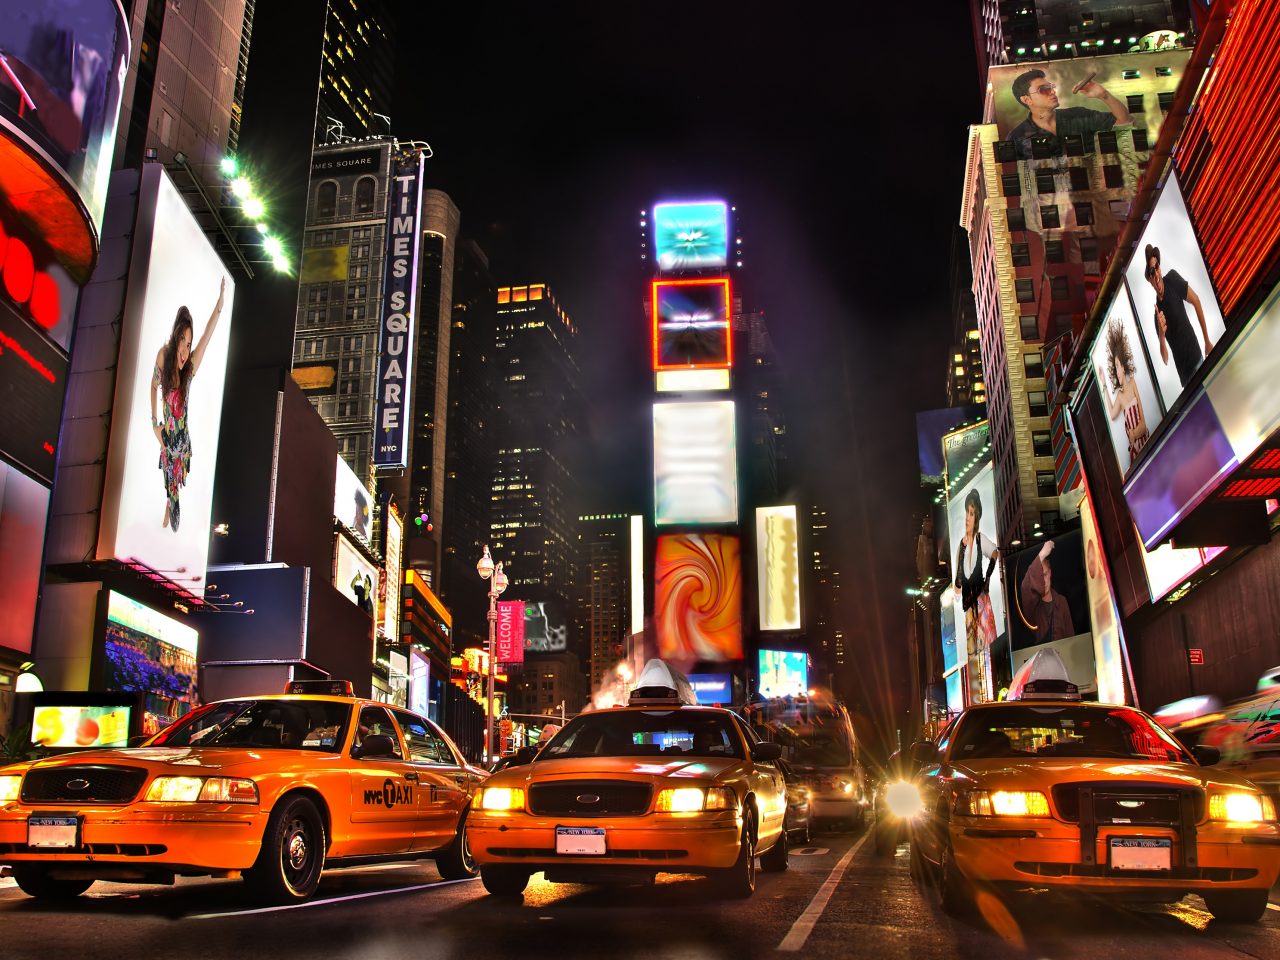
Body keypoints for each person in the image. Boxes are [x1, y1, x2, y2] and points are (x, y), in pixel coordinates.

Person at [152, 277, 225, 532]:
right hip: (168, 437)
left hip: (181, 441)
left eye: (189, 344)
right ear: (175, 339)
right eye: (183, 341)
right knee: (169, 477)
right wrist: (154, 424)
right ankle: (170, 507)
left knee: (175, 479)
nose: (186, 350)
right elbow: (153, 386)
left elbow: (206, 337)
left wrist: (219, 306)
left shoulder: (189, 372)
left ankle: (170, 507)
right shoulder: (163, 356)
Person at [1007, 68, 1132, 159]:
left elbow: (1124, 121)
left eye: (1051, 87)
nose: (1052, 92)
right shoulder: (1017, 137)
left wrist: (1104, 95)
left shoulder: (1078, 115)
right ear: (1026, 100)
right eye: (1043, 90)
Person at [1144, 244, 1214, 387]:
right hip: (1186, 380)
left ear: (1160, 267)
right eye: (1152, 272)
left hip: (1197, 360)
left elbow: (1196, 301)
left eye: (1156, 267)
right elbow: (1165, 359)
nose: (1156, 274)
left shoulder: (1172, 280)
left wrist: (1207, 341)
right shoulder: (1157, 316)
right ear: (1149, 280)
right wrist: (1162, 336)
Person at [954, 488, 1000, 696]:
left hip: (982, 602)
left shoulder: (981, 539)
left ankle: (992, 693)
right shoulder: (960, 546)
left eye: (972, 513)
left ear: (977, 516)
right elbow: (957, 578)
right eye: (967, 513)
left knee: (988, 653)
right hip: (968, 607)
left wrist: (988, 578)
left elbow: (995, 554)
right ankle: (979, 696)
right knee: (973, 657)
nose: (967, 518)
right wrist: (956, 592)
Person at [1099, 317, 1150, 467]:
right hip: (1134, 452)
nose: (1116, 371)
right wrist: (1104, 385)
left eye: (1117, 366)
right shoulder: (1120, 397)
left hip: (1145, 443)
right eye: (1114, 367)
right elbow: (1112, 415)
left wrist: (1133, 434)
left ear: (1123, 366)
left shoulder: (1133, 383)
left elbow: (1144, 423)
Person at [1020, 540, 1075, 645]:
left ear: (1050, 573)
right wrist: (1041, 555)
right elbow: (1025, 587)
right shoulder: (1033, 607)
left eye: (1044, 575)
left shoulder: (1061, 601)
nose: (1043, 581)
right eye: (1039, 577)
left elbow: (1071, 638)